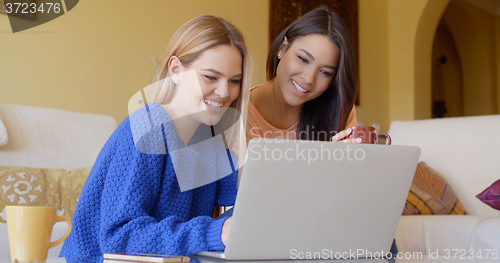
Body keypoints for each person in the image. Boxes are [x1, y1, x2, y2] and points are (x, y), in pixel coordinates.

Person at [60, 15, 251, 257]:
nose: (225, 92)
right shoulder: (146, 129)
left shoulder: (210, 139)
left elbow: (251, 209)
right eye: (210, 77)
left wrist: (243, 156)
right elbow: (119, 236)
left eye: (234, 81)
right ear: (176, 70)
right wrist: (212, 233)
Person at [247, 6, 359, 144]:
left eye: (325, 72)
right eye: (303, 59)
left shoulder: (339, 110)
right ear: (282, 48)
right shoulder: (238, 113)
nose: (309, 78)